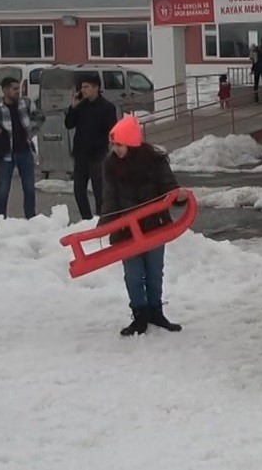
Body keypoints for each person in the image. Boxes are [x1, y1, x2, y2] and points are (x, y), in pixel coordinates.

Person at [100, 114, 185, 336]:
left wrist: (180, 197)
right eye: (113, 145)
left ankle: (156, 311)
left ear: (131, 142)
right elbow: (110, 197)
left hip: (154, 225)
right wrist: (105, 225)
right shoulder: (111, 165)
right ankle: (139, 314)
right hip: (125, 230)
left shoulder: (155, 161)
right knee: (133, 274)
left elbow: (170, 188)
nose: (116, 149)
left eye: (120, 144)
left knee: (155, 272)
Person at [0, 77, 44, 219]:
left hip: (25, 151)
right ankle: (0, 219)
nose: (19, 92)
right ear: (5, 90)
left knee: (29, 188)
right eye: (15, 89)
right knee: (3, 189)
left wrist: (32, 129)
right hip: (6, 153)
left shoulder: (26, 103)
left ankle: (31, 217)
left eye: (19, 88)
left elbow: (40, 116)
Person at [64, 74, 118, 221]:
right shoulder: (81, 106)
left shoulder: (107, 107)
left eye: (86, 87)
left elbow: (112, 130)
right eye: (82, 87)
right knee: (79, 191)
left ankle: (101, 219)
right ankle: (86, 219)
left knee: (99, 190)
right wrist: (73, 107)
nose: (83, 90)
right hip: (80, 155)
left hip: (97, 155)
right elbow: (69, 124)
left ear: (96, 87)